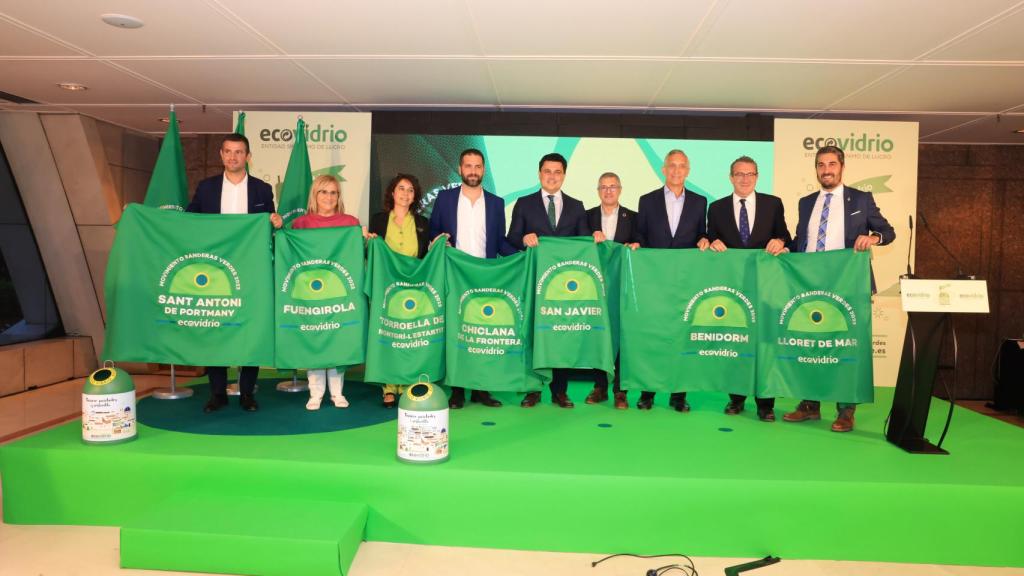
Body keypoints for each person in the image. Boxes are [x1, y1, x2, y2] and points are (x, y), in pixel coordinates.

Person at [782, 145, 895, 432]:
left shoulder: (861, 198)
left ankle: (846, 410)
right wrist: (785, 249)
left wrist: (873, 238)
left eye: (831, 164)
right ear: (816, 169)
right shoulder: (806, 202)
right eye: (821, 165)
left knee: (845, 347)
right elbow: (801, 241)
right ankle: (810, 404)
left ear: (842, 166)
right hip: (811, 286)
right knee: (809, 345)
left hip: (848, 287)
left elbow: (888, 231)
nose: (826, 170)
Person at [187, 133, 282, 414]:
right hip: (215, 272)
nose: (233, 157)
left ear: (248, 157)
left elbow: (270, 224)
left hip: (251, 271)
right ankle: (217, 393)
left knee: (248, 330)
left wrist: (276, 221)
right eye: (228, 152)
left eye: (239, 152)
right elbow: (188, 221)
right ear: (221, 155)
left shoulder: (262, 190)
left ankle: (247, 393)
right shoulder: (206, 188)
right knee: (216, 329)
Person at [429, 148, 516, 409]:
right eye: (468, 166)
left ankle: (481, 389)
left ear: (484, 170)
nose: (473, 171)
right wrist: (435, 241)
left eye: (478, 166)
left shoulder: (496, 202)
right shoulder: (444, 199)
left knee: (481, 332)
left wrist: (524, 256)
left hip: (484, 276)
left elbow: (500, 241)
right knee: (458, 332)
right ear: (460, 168)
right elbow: (433, 232)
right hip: (454, 277)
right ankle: (456, 390)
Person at [707, 156, 791, 422]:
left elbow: (784, 235)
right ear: (731, 177)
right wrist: (712, 242)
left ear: (757, 176)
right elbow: (710, 237)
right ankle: (736, 398)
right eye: (739, 174)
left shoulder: (773, 203)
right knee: (736, 341)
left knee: (765, 343)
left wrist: (780, 241)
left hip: (765, 287)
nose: (745, 179)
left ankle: (765, 403)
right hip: (733, 288)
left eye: (750, 174)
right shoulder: (717, 207)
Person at [507, 153, 592, 409]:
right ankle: (533, 388)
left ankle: (560, 391)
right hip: (534, 283)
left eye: (557, 172)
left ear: (564, 175)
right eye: (547, 171)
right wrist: (524, 239)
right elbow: (511, 238)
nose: (552, 176)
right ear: (539, 174)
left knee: (561, 334)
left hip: (565, 288)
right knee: (535, 333)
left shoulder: (577, 206)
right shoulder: (524, 203)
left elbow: (583, 244)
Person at [635, 149, 710, 412]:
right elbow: (640, 236)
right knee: (653, 335)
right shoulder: (647, 201)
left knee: (682, 337)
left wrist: (705, 239)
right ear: (663, 170)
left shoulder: (701, 202)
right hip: (654, 282)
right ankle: (648, 392)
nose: (676, 171)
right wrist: (636, 245)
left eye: (682, 166)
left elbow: (703, 234)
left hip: (686, 283)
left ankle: (679, 395)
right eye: (672, 166)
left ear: (688, 170)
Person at [291, 174, 363, 411]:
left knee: (337, 338)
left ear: (338, 196)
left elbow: (356, 256)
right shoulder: (301, 224)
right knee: (315, 337)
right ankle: (315, 393)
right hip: (310, 293)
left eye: (333, 192)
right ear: (315, 195)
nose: (328, 197)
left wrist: (366, 239)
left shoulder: (351, 223)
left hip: (340, 292)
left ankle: (337, 393)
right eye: (323, 192)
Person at [368, 173, 429, 407]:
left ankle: (407, 383)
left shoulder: (423, 223)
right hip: (386, 289)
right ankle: (389, 387)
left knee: (409, 337)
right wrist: (369, 241)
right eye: (401, 188)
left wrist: (437, 245)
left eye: (410, 190)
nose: (405, 193)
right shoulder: (379, 220)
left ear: (415, 196)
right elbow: (372, 251)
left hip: (414, 290)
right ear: (392, 193)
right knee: (388, 336)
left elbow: (426, 255)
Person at [587, 172, 639, 410]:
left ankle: (621, 390)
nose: (608, 191)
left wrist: (636, 246)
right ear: (598, 191)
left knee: (622, 335)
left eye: (613, 187)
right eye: (604, 187)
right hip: (594, 289)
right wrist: (589, 238)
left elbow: (642, 245)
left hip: (623, 289)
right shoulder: (586, 217)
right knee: (599, 334)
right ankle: (599, 387)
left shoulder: (635, 218)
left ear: (620, 189)